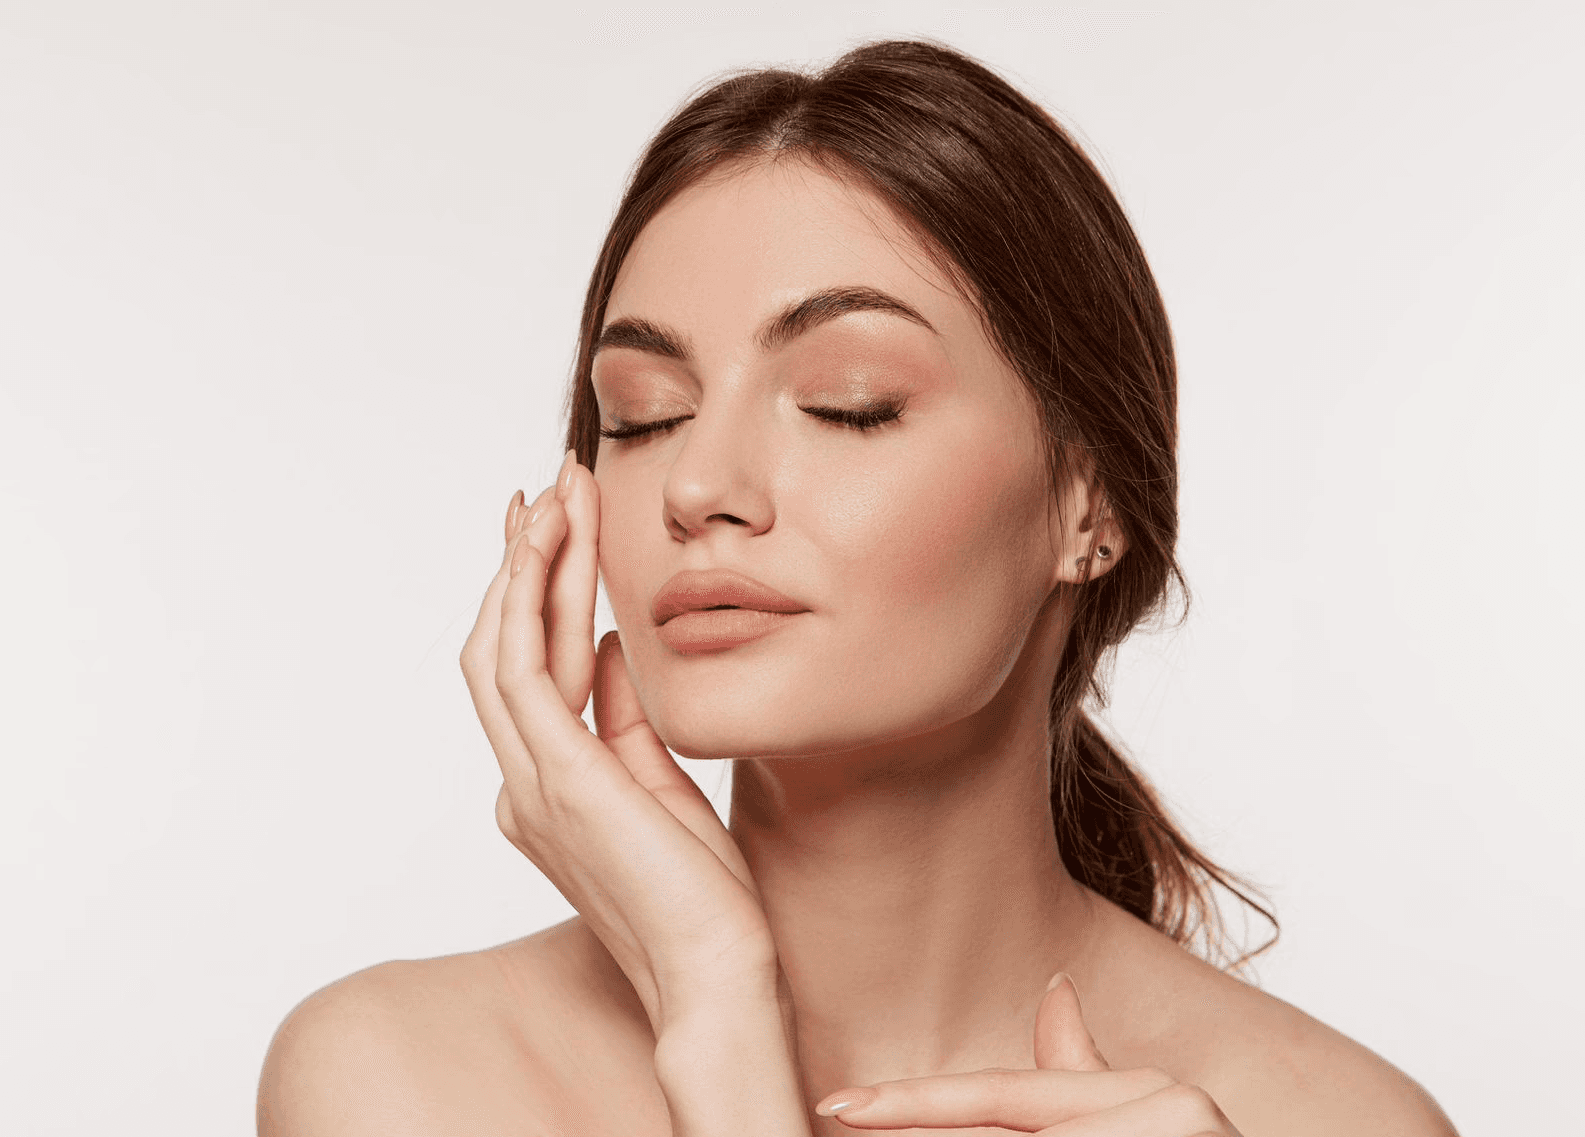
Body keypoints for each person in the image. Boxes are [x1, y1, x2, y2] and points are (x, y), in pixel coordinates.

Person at [257, 40, 1458, 1136]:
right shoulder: (405, 1084)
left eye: (848, 402)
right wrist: (713, 1002)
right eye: (642, 416)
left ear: (1088, 507)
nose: (696, 485)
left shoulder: (1335, 1122)